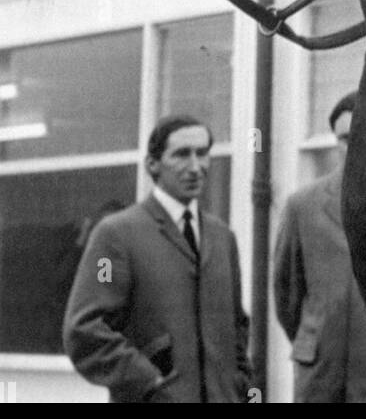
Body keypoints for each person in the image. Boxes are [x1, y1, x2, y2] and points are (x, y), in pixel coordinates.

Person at [63, 115, 252, 403]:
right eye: (181, 155)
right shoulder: (114, 236)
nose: (195, 167)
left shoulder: (222, 237)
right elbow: (86, 329)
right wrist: (149, 383)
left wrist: (241, 384)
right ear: (152, 164)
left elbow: (237, 326)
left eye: (202, 154)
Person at [273, 92, 366, 402]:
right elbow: (287, 295)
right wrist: (319, 337)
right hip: (321, 376)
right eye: (347, 138)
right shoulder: (303, 206)